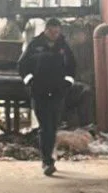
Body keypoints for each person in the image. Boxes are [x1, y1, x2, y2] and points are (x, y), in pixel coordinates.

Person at [18, 17, 78, 176]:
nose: (54, 35)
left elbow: (72, 67)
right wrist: (30, 82)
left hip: (58, 93)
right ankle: (46, 161)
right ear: (46, 30)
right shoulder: (35, 45)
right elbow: (22, 65)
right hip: (40, 92)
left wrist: (67, 84)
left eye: (57, 32)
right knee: (45, 127)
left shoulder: (63, 46)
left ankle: (49, 157)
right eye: (52, 32)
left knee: (53, 126)